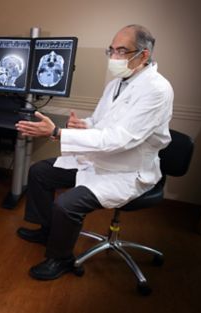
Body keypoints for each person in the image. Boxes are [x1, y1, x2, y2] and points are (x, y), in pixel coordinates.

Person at [15, 24, 173, 281]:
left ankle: (61, 258)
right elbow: (101, 122)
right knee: (40, 172)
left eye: (122, 51)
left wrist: (57, 132)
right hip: (100, 157)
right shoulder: (117, 84)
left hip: (127, 170)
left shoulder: (156, 90)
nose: (114, 57)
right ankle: (47, 230)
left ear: (144, 55)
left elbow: (121, 139)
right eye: (111, 50)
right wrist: (84, 125)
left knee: (67, 204)